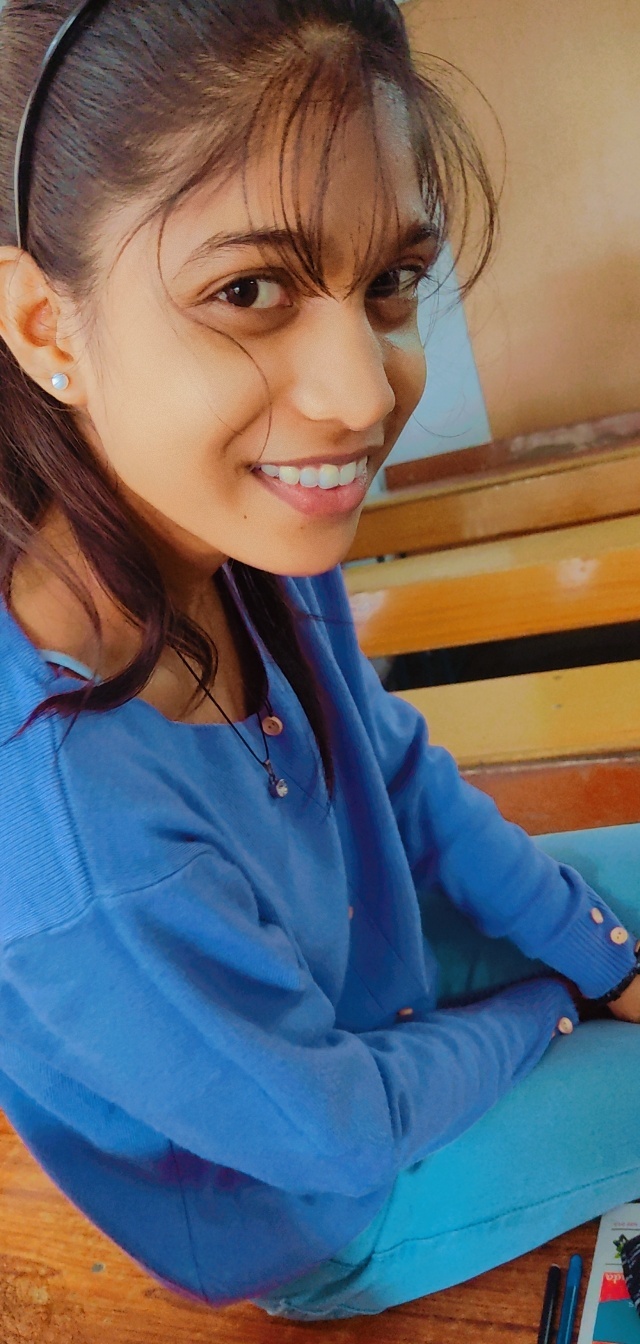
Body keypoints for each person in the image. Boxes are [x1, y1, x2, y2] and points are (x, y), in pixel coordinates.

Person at [0, 0, 638, 1325]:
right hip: (328, 1198)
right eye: (249, 290)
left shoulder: (240, 534)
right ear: (47, 326)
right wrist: (557, 1003)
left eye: (392, 279)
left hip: (370, 963)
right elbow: (331, 1130)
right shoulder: (76, 842)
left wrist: (601, 954)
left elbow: (398, 779)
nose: (361, 396)